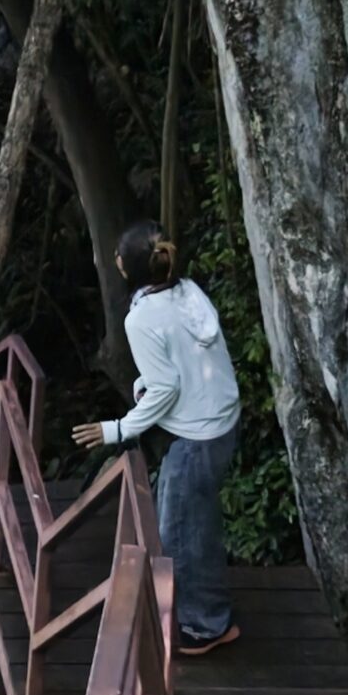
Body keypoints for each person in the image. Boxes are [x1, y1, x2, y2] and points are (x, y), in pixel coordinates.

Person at [72, 219, 244, 656]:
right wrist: (145, 386)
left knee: (180, 531)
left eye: (117, 255)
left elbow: (166, 388)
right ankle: (206, 612)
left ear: (127, 268)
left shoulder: (142, 318)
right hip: (222, 419)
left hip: (198, 435)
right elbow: (179, 364)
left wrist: (117, 429)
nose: (112, 258)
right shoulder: (186, 291)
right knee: (193, 520)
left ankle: (205, 625)